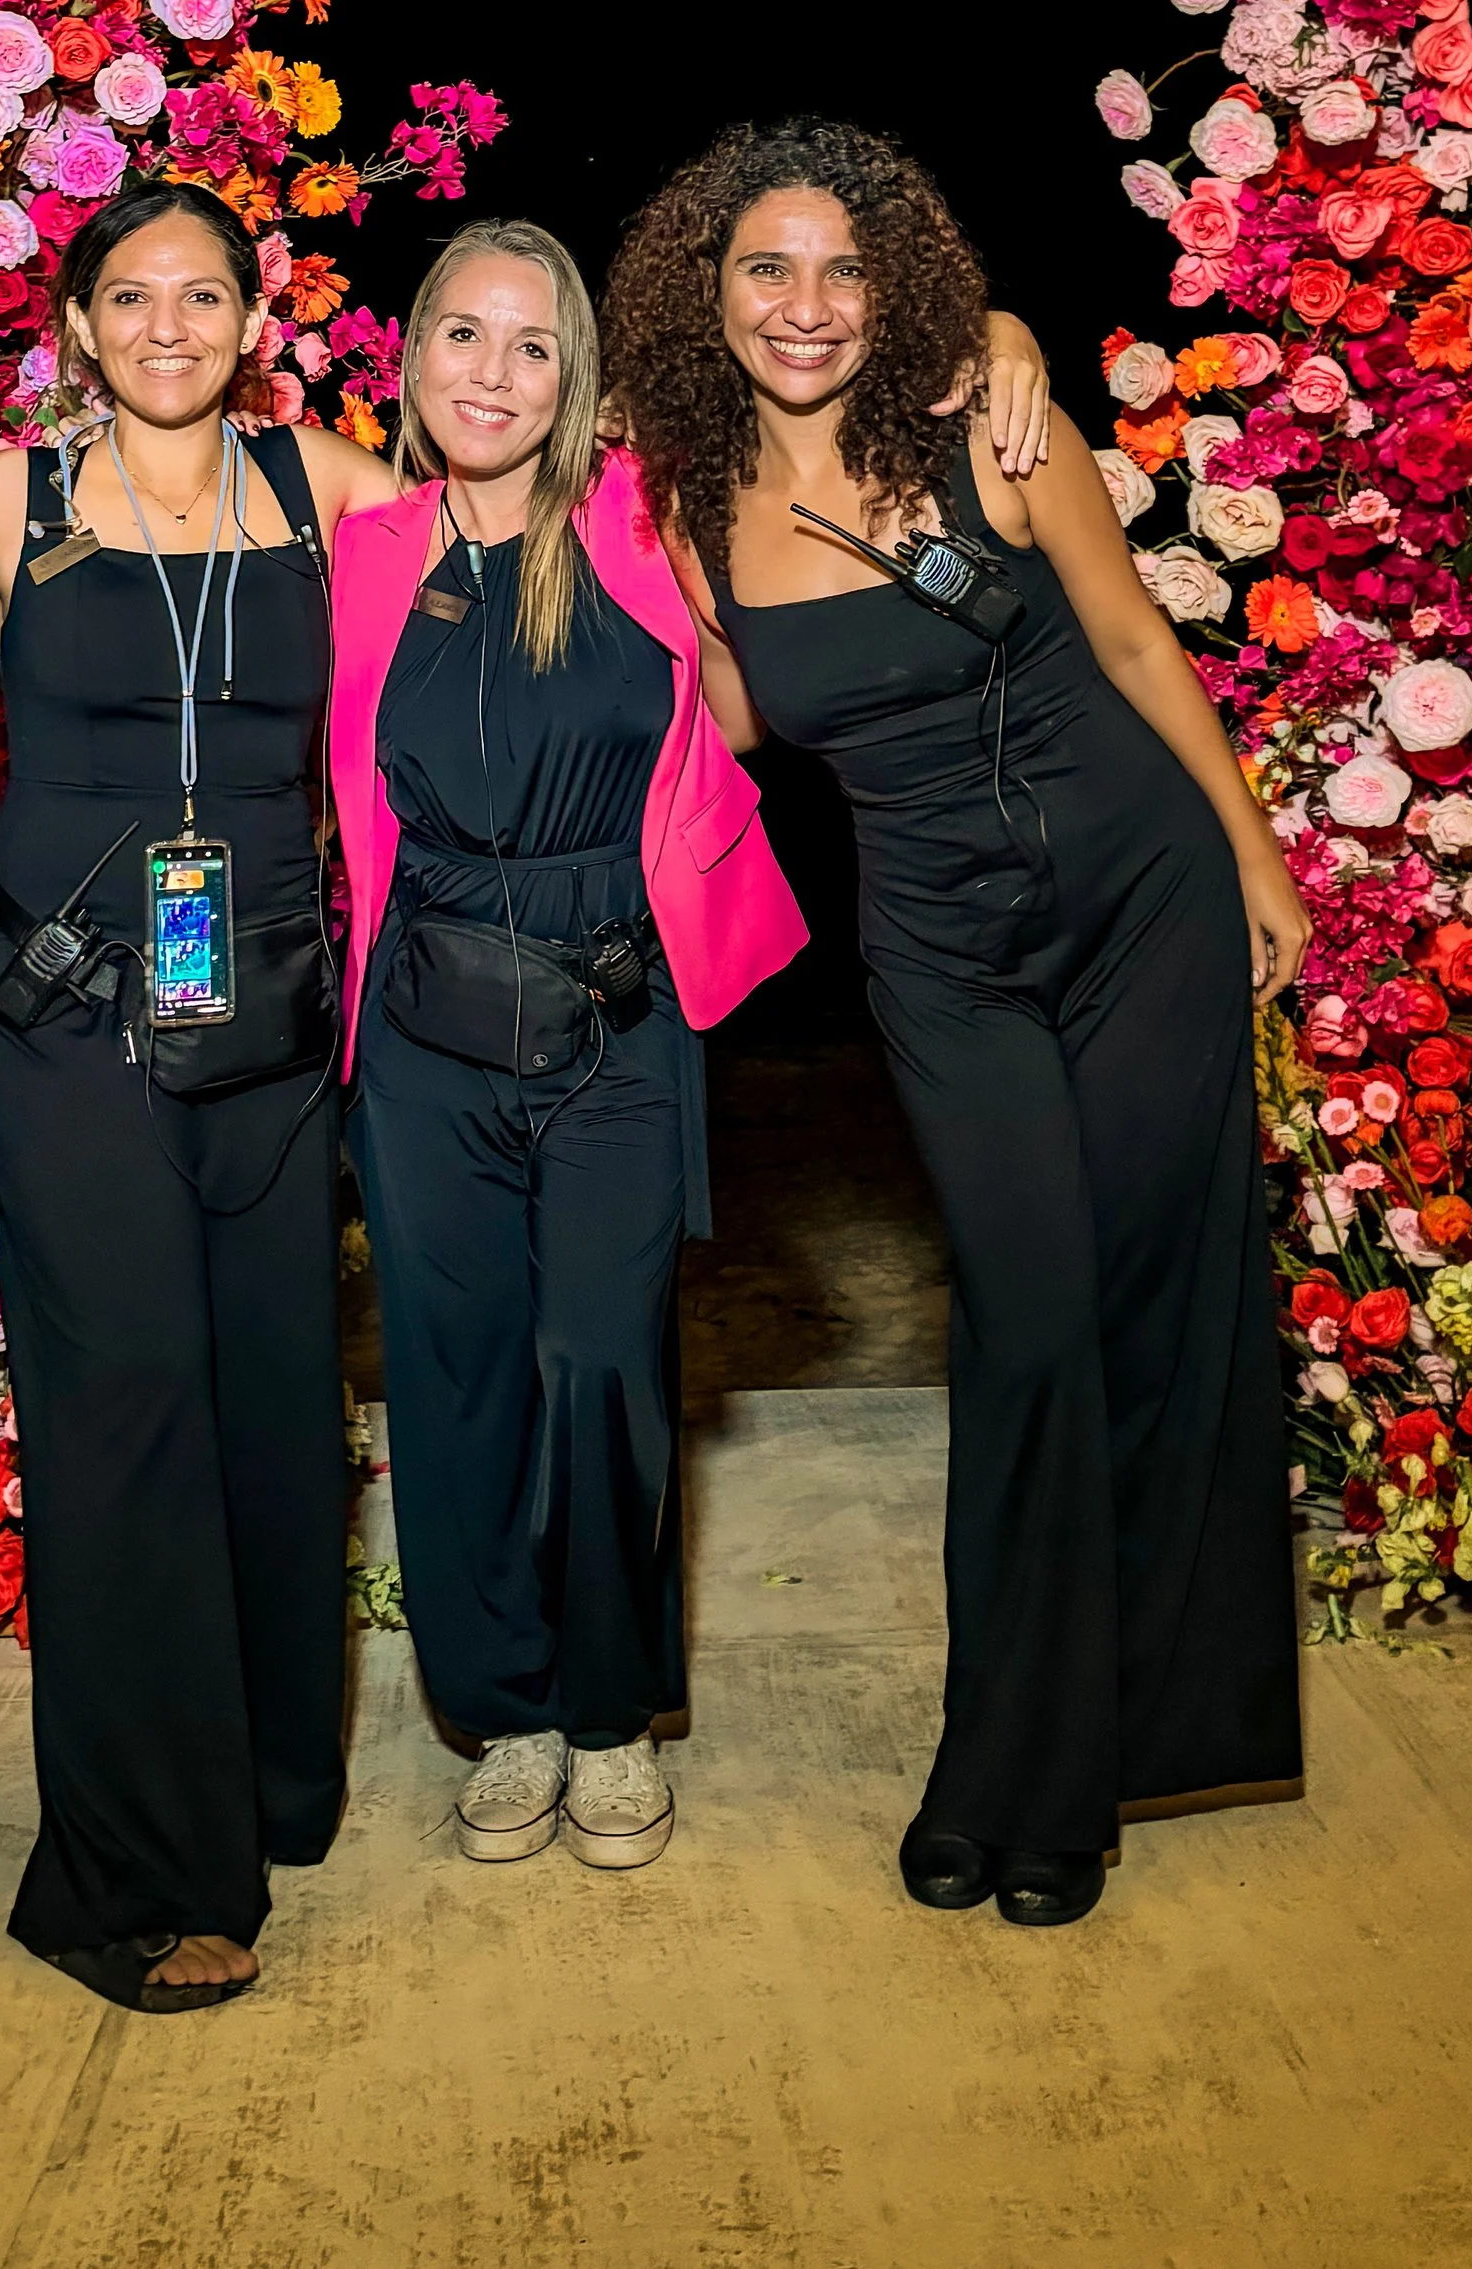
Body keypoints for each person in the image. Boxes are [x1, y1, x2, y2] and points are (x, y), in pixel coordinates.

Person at [601, 117, 1308, 1929]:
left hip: (1142, 902)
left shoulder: (992, 423)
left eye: (844, 267)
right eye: (767, 268)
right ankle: (1014, 1755)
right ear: (709, 292)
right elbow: (742, 724)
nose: (807, 304)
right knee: (1032, 1323)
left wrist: (1251, 856)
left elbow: (1142, 644)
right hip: (943, 954)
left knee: (1154, 1307)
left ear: (895, 282)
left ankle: (1083, 1769)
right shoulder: (688, 505)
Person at [0, 180, 395, 2014]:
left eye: (199, 296)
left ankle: (278, 1780)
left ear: (252, 317)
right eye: (127, 297)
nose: (164, 327)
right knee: (127, 1412)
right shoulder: (16, 501)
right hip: (68, 1024)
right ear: (75, 323)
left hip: (274, 1017)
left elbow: (562, 498)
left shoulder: (326, 491)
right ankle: (133, 1877)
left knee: (278, 1404)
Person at [329, 221, 806, 1870]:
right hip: (424, 1027)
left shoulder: (641, 512)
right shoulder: (364, 542)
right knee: (456, 1384)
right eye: (464, 334)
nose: (494, 371)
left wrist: (1008, 343)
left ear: (574, 376)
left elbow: (822, 414)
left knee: (600, 1366)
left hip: (617, 1006)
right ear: (410, 357)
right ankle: (505, 1712)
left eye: (533, 344)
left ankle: (609, 1716)